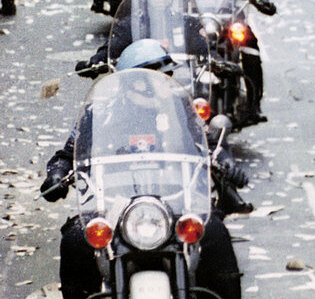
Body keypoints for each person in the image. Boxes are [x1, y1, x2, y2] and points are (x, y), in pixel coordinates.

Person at [41, 54, 243, 299]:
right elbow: (68, 153)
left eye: (166, 76)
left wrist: (226, 162)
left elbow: (209, 143)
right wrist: (57, 175)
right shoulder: (99, 114)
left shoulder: (182, 109)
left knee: (215, 233)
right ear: (132, 83)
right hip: (112, 206)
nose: (163, 82)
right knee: (75, 239)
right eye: (155, 75)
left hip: (176, 200)